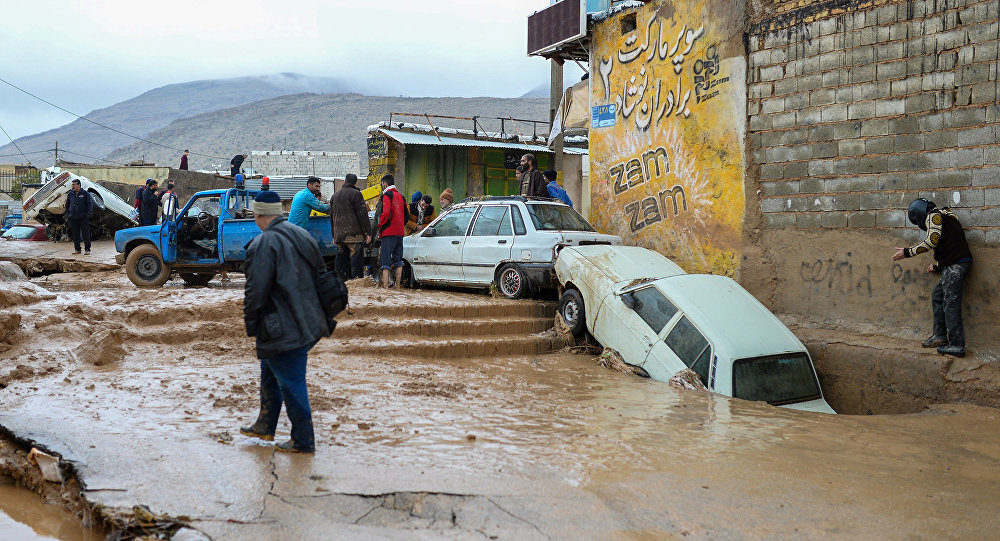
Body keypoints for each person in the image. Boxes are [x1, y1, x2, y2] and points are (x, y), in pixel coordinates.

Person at [240, 190, 333, 453]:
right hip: (309, 320)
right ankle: (266, 424)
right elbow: (322, 277)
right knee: (270, 370)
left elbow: (254, 293)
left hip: (282, 326)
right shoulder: (302, 235)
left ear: (259, 215)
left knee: (292, 381)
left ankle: (303, 441)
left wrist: (251, 326)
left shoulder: (262, 244)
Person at [891, 198, 973, 357]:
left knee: (950, 303)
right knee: (938, 296)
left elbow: (932, 241)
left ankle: (956, 346)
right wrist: (937, 267)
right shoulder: (944, 216)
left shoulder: (934, 216)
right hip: (954, 264)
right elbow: (950, 246)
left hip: (957, 265)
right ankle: (940, 336)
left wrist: (908, 252)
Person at [329, 173, 372, 280]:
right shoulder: (356, 194)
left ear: (344, 181)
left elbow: (332, 217)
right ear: (356, 183)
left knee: (341, 263)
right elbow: (362, 214)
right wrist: (368, 232)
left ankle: (341, 285)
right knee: (356, 263)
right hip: (354, 236)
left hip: (339, 236)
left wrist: (334, 235)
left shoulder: (335, 196)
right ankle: (357, 287)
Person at [374, 174, 407, 288]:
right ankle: (398, 286)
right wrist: (400, 225)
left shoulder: (387, 195)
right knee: (398, 259)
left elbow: (386, 212)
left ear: (385, 184)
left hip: (388, 232)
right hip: (400, 232)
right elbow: (406, 215)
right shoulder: (401, 196)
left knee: (385, 259)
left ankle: (386, 287)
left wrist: (380, 225)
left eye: (382, 184)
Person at [65, 179, 93, 255]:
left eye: (74, 185)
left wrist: (87, 215)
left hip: (83, 217)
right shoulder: (70, 194)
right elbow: (67, 204)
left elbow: (90, 205)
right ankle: (77, 249)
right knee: (75, 234)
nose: (73, 186)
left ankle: (87, 249)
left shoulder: (85, 194)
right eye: (72, 185)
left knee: (85, 234)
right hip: (72, 218)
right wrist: (68, 214)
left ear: (79, 185)